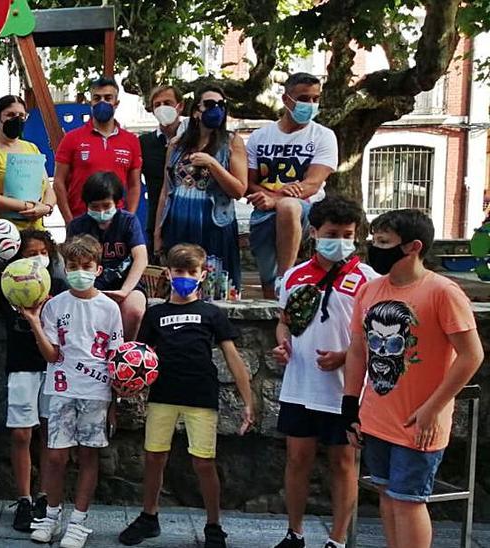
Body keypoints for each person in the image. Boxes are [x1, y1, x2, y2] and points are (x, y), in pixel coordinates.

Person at [342, 209, 483, 548]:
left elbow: (471, 354)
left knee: (408, 501)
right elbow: (359, 350)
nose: (374, 248)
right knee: (389, 500)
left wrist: (434, 408)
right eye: (374, 240)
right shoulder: (370, 290)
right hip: (377, 417)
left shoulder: (442, 292)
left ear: (412, 247)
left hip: (417, 420)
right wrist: (350, 405)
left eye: (384, 242)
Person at [119, 243, 254, 548]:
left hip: (201, 397)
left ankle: (214, 526)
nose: (184, 277)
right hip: (163, 395)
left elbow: (232, 358)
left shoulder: (212, 314)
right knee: (154, 457)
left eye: (191, 272)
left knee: (204, 462)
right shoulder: (156, 314)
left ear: (202, 275)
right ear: (168, 273)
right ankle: (149, 517)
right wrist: (125, 386)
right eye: (178, 271)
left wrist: (248, 401)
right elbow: (140, 357)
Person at [271, 197, 378, 548]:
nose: (341, 241)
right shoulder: (293, 276)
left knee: (343, 463)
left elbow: (377, 336)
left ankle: (337, 539)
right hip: (300, 385)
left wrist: (346, 356)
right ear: (314, 232)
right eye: (333, 233)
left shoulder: (369, 280)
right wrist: (283, 344)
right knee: (296, 459)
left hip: (345, 390)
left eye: (349, 234)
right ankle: (295, 532)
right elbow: (284, 322)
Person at [20, 235, 123, 547]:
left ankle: (78, 521)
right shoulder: (54, 305)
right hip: (61, 390)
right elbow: (51, 355)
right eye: (73, 266)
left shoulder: (109, 308)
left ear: (98, 268)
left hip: (96, 391)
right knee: (55, 456)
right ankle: (51, 515)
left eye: (86, 266)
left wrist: (115, 401)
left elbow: (115, 358)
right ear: (64, 268)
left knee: (88, 456)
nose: (80, 271)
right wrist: (35, 322)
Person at [0, 230, 63, 532]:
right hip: (20, 368)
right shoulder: (7, 286)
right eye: (30, 253)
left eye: (42, 252)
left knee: (49, 433)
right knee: (21, 435)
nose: (37, 258)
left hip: (53, 367)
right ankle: (24, 498)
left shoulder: (57, 286)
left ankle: (44, 496)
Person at [245, 73, 338, 299]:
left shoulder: (324, 136)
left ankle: (284, 279)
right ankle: (273, 291)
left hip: (304, 210)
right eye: (305, 98)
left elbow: (313, 184)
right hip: (263, 211)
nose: (311, 105)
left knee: (288, 206)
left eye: (316, 99)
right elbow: (248, 183)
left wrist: (275, 199)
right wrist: (268, 199)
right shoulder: (260, 136)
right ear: (287, 100)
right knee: (266, 279)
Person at [157, 86, 247, 293]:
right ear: (196, 110)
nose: (215, 109)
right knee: (179, 285)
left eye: (221, 105)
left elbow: (239, 190)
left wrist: (212, 164)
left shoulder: (232, 142)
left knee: (214, 289)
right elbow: (166, 190)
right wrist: (157, 233)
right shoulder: (177, 144)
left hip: (213, 225)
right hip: (178, 224)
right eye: (209, 104)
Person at [68, 172, 149, 338]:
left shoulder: (128, 221)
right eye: (95, 207)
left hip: (127, 284)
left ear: (117, 202)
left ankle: (124, 350)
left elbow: (141, 257)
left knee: (134, 310)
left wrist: (125, 291)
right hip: (90, 285)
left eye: (106, 205)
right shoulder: (77, 226)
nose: (101, 212)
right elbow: (71, 261)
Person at [53, 77, 143, 221]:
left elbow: (134, 185)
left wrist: (128, 219)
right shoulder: (72, 138)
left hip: (115, 223)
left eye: (108, 98)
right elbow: (58, 182)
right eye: (97, 98)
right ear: (90, 102)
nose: (102, 102)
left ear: (116, 103)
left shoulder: (131, 140)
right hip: (81, 220)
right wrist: (69, 221)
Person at [0, 95, 55, 230]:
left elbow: (48, 189)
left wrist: (46, 207)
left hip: (35, 233)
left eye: (21, 115)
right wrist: (27, 207)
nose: (17, 119)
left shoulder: (32, 148)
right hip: (0, 235)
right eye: (10, 114)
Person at [139, 85, 185, 245]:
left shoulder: (193, 140)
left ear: (180, 106)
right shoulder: (144, 143)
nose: (162, 108)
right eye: (157, 105)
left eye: (167, 103)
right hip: (157, 223)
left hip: (189, 219)